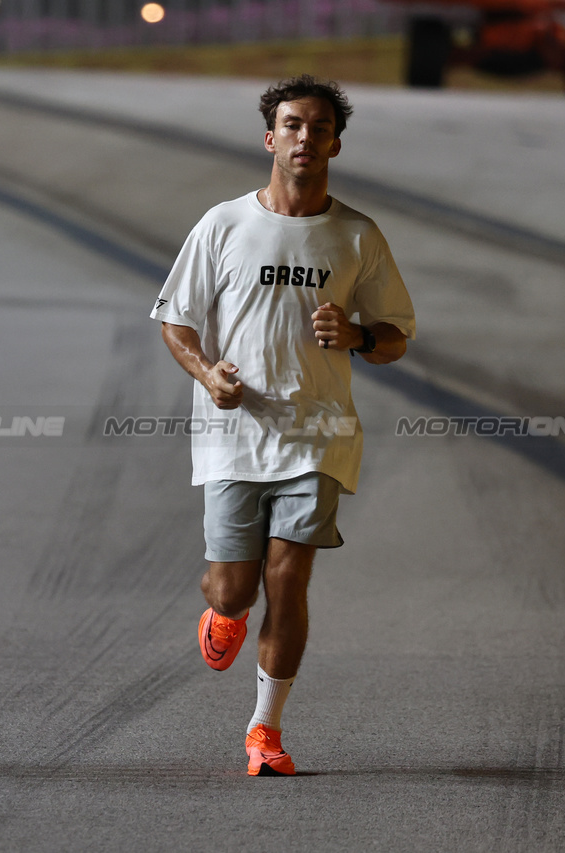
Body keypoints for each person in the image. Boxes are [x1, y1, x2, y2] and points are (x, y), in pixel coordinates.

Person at [151, 74, 415, 776]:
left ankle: (264, 730)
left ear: (336, 142)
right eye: (293, 125)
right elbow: (175, 321)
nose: (305, 137)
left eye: (319, 127)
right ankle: (225, 612)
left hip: (318, 434)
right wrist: (208, 374)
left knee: (288, 579)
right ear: (271, 138)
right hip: (233, 435)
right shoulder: (224, 224)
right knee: (235, 587)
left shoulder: (357, 235)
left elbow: (397, 335)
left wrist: (358, 334)